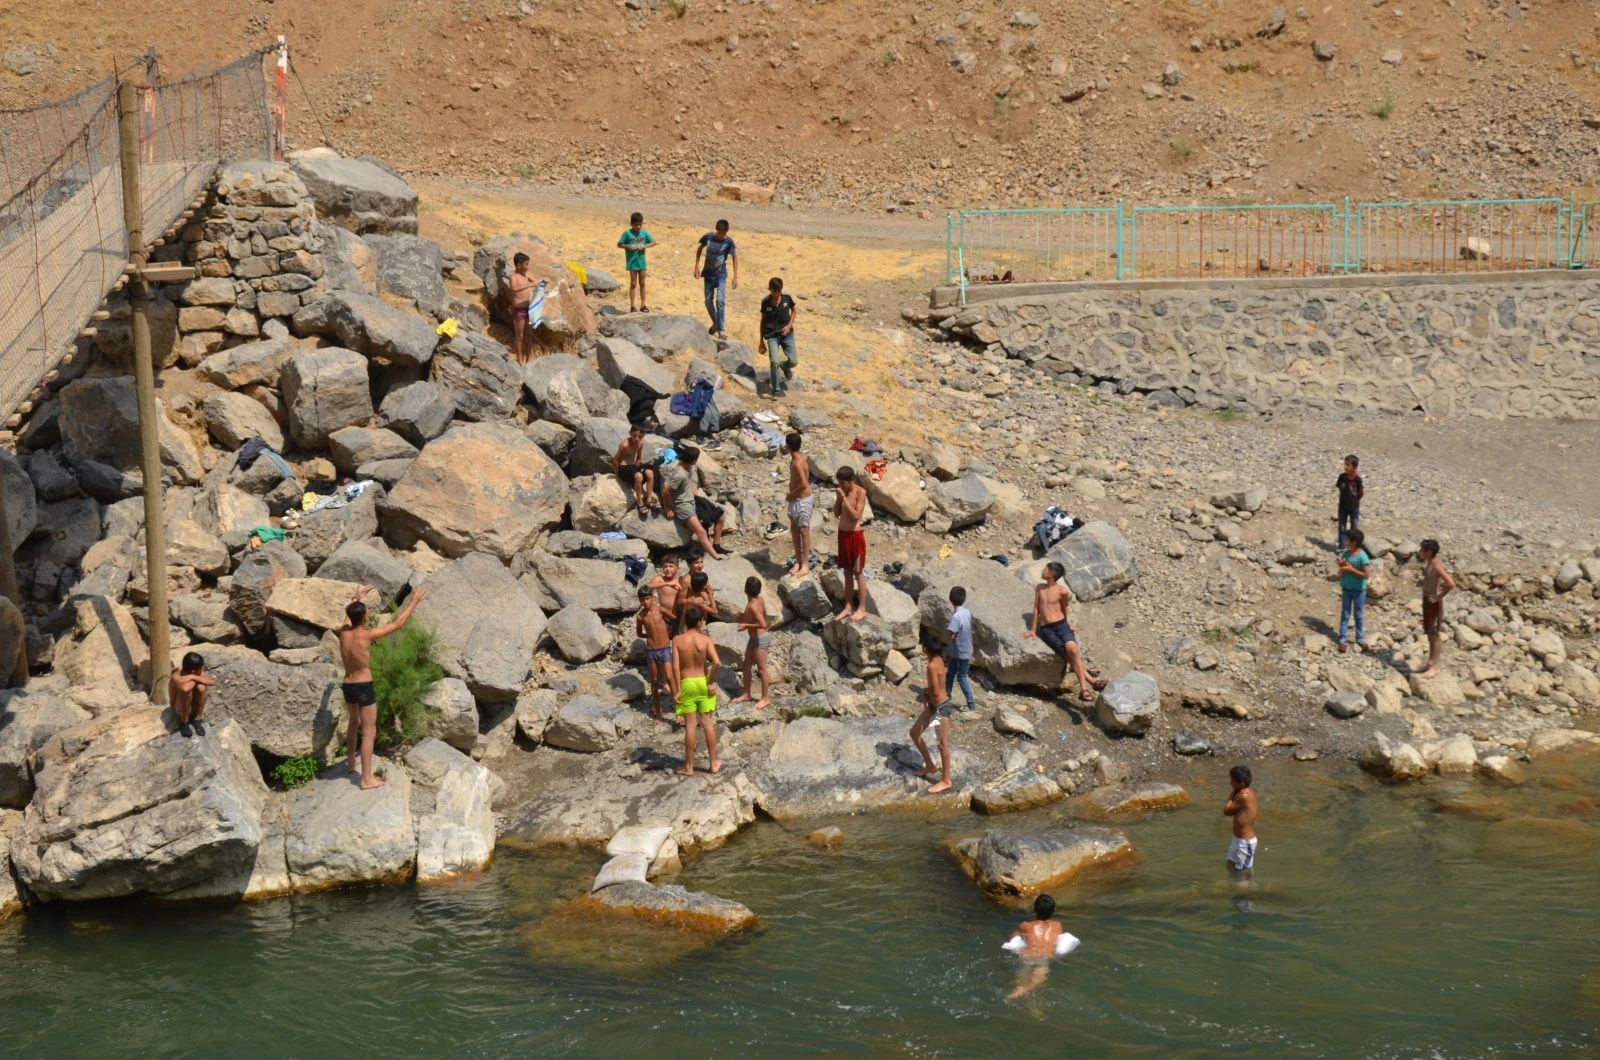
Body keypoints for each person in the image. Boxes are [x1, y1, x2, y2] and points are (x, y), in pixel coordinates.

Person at [339, 585, 425, 790]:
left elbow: (348, 615)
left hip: (347, 684)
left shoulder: (344, 633)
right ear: (366, 617)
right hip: (363, 686)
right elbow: (398, 623)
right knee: (369, 731)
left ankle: (351, 761)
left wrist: (356, 598)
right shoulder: (366, 636)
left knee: (353, 722)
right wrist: (414, 601)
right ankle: (366, 779)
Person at [1024, 561, 1107, 705]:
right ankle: (1091, 683)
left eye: (1045, 569)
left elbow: (1064, 609)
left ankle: (1084, 689)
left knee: (1073, 649)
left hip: (1061, 625)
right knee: (1069, 655)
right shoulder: (1040, 588)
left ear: (1051, 574)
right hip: (1047, 629)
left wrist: (1068, 625)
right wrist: (1032, 630)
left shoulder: (1062, 591)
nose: (1043, 571)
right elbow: (1036, 609)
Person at [671, 604, 722, 775]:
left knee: (691, 726)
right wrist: (710, 681)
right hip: (702, 681)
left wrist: (677, 690)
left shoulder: (677, 640)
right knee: (707, 723)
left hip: (686, 683)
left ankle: (689, 766)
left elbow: (676, 667)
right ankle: (714, 763)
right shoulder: (705, 640)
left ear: (685, 620)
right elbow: (716, 662)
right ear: (700, 621)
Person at [1003, 894, 1078, 1001]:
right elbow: (1058, 942)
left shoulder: (1025, 925)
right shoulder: (1057, 925)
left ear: (1035, 909)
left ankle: (1020, 993)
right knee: (1037, 984)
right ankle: (1024, 995)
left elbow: (1013, 938)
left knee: (1021, 981)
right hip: (1044, 957)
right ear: (1054, 910)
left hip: (1027, 956)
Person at [661, 445, 731, 558]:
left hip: (692, 499)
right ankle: (716, 556)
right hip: (683, 506)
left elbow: (689, 482)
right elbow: (665, 491)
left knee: (720, 516)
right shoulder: (679, 474)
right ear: (694, 460)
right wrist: (667, 507)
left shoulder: (687, 467)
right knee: (701, 532)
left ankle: (716, 545)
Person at [909, 633, 953, 794]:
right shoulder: (940, 660)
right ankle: (929, 765)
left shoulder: (931, 666)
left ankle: (946, 780)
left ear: (925, 649)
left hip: (941, 707)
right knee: (914, 733)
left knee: (942, 744)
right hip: (935, 706)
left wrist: (925, 693)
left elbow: (935, 692)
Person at [833, 465, 869, 620]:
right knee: (847, 572)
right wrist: (839, 498)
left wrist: (845, 500)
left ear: (850, 481)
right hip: (843, 535)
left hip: (855, 536)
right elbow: (836, 513)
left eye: (843, 483)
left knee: (858, 572)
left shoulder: (861, 492)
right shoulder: (842, 492)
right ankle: (848, 606)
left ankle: (862, 607)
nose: (841, 486)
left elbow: (856, 516)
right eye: (839, 483)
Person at [1418, 538, 1456, 679]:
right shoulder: (1429, 563)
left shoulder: (1436, 565)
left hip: (1433, 602)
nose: (1420, 552)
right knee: (1429, 633)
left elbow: (1451, 583)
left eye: (1422, 550)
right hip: (1427, 601)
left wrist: (1439, 596)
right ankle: (1430, 661)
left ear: (1428, 552)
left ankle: (1436, 666)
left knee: (1435, 634)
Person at [730, 576, 771, 710]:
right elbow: (762, 615)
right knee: (746, 665)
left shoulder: (753, 605)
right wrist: (743, 617)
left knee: (762, 668)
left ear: (745, 589)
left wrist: (746, 625)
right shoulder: (759, 600)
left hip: (760, 639)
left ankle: (765, 698)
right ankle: (747, 693)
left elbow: (763, 624)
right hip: (754, 639)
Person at [693, 219, 738, 338]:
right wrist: (697, 265)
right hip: (708, 273)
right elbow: (699, 248)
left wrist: (735, 276)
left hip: (721, 274)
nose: (722, 236)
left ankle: (721, 329)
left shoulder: (729, 242)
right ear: (716, 230)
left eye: (724, 234)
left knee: (720, 300)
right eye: (720, 233)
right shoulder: (708, 237)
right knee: (708, 301)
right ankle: (716, 323)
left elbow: (734, 257)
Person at [636, 585, 675, 724]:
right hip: (651, 650)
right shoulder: (640, 616)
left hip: (664, 648)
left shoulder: (660, 609)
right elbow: (639, 633)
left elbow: (673, 619)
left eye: (647, 598)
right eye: (643, 600)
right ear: (640, 601)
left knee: (670, 677)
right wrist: (650, 636)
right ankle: (658, 712)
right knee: (654, 680)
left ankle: (679, 710)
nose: (645, 602)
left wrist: (668, 633)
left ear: (652, 598)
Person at [759, 276, 798, 396]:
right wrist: (761, 341)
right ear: (770, 289)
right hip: (772, 336)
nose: (777, 293)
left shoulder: (787, 298)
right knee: (774, 362)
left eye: (779, 290)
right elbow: (762, 321)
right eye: (774, 291)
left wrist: (789, 326)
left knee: (793, 361)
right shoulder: (765, 302)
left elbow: (794, 311)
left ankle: (784, 367)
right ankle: (776, 389)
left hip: (787, 334)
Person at [941, 586, 978, 711]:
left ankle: (971, 702)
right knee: (950, 673)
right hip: (964, 649)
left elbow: (952, 635)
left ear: (950, 600)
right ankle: (946, 696)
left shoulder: (956, 617)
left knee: (961, 678)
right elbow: (968, 631)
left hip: (959, 651)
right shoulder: (967, 612)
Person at [1336, 527, 1371, 653]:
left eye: (1347, 540)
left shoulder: (1362, 556)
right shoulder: (1346, 554)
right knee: (1345, 614)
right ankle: (1342, 639)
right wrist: (1341, 568)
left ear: (1354, 542)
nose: (1345, 542)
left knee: (1358, 614)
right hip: (1346, 588)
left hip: (1359, 590)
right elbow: (1343, 571)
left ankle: (1360, 638)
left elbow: (1367, 575)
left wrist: (1351, 570)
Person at [612, 423, 658, 517]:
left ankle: (649, 499)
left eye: (640, 436)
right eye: (634, 436)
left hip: (633, 466)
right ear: (630, 433)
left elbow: (639, 457)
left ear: (643, 435)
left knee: (650, 472)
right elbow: (615, 460)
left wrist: (639, 467)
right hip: (624, 467)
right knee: (638, 476)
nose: (637, 439)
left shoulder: (641, 442)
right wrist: (617, 474)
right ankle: (639, 502)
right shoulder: (625, 445)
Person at [169, 651, 217, 738]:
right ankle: (184, 722)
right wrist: (196, 678)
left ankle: (197, 719)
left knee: (201, 688)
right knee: (187, 691)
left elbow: (212, 682)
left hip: (192, 708)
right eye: (200, 668)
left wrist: (192, 677)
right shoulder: (177, 676)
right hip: (179, 709)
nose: (201, 670)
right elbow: (185, 688)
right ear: (193, 670)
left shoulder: (194, 674)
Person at [785, 432, 813, 576]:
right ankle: (798, 560)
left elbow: (803, 484)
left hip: (802, 500)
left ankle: (805, 564)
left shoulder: (797, 462)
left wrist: (791, 495)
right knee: (795, 530)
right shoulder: (799, 458)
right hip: (797, 500)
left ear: (787, 446)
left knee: (803, 531)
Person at [1223, 765, 1258, 877]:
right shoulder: (1243, 792)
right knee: (1230, 865)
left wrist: (1232, 794)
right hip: (1237, 839)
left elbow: (1227, 811)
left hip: (1245, 843)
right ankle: (1233, 886)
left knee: (1243, 873)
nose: (1230, 783)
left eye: (1232, 781)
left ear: (1241, 784)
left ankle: (1246, 893)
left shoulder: (1243, 796)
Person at [618, 211, 655, 313]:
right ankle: (633, 306)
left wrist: (645, 246)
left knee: (642, 283)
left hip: (642, 262)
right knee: (633, 284)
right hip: (632, 262)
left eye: (640, 224)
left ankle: (643, 305)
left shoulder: (644, 233)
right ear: (632, 224)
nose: (638, 227)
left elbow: (653, 242)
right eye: (636, 225)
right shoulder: (627, 234)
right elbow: (619, 244)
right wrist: (628, 246)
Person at [508, 252, 539, 365]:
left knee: (528, 335)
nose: (528, 266)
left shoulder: (526, 275)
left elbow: (536, 281)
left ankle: (528, 359)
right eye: (526, 264)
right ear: (518, 265)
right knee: (520, 336)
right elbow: (515, 288)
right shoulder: (513, 276)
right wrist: (530, 285)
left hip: (529, 309)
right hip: (519, 310)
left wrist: (542, 282)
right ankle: (520, 361)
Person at [1336, 453, 1364, 551]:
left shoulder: (1358, 480)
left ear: (1354, 467)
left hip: (1354, 507)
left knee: (1353, 528)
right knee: (1342, 526)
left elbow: (1361, 492)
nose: (1345, 467)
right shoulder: (1342, 477)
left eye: (1348, 465)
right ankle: (1341, 546)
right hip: (1343, 506)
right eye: (1345, 464)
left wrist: (1354, 500)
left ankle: (1353, 547)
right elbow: (1340, 487)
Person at [649, 555, 684, 631]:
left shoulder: (680, 580)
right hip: (665, 618)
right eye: (665, 566)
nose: (668, 569)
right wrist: (667, 583)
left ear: (677, 568)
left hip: (679, 618)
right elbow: (648, 586)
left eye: (671, 566)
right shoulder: (660, 579)